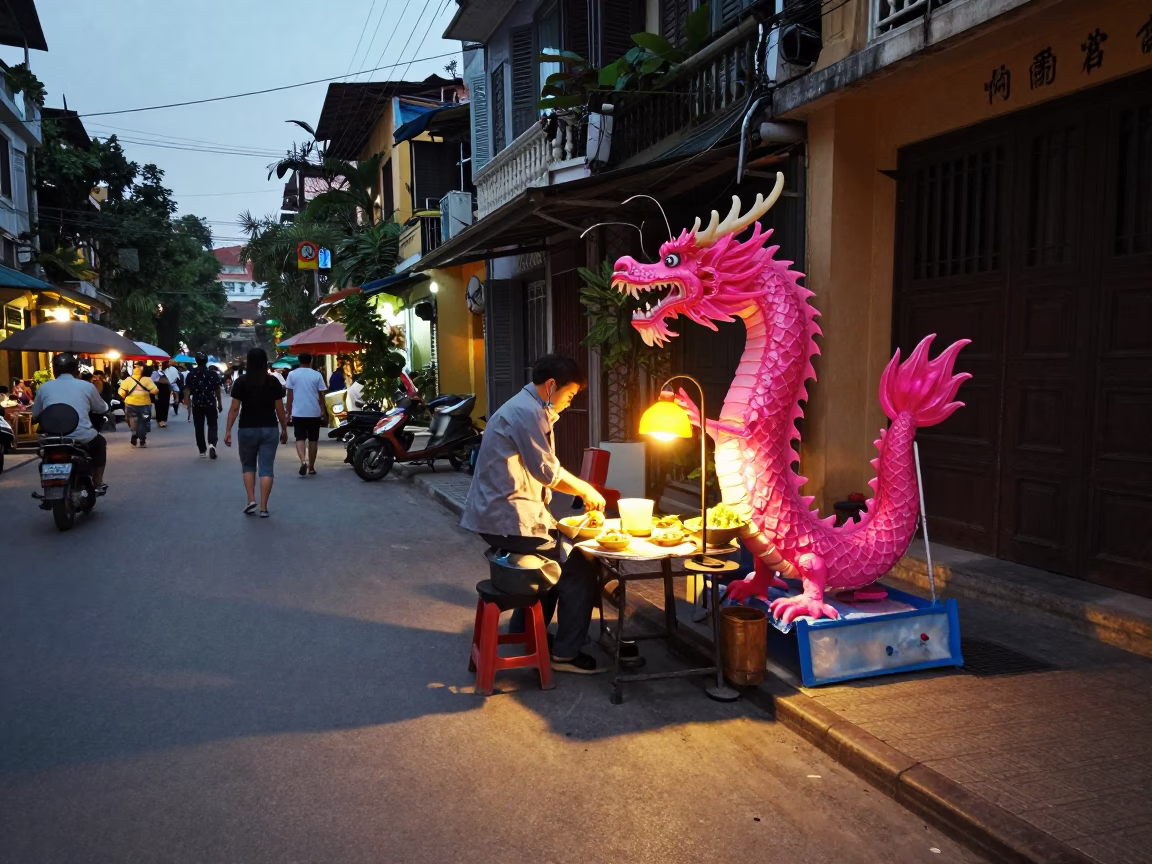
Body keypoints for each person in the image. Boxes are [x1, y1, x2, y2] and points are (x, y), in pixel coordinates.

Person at [460, 354, 609, 675]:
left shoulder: (526, 407)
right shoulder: (526, 413)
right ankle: (566, 654)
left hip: (501, 514)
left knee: (557, 558)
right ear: (551, 385)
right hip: (504, 519)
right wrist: (587, 490)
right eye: (569, 396)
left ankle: (529, 635)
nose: (569, 404)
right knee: (579, 567)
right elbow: (547, 471)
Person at [224, 347, 288, 517]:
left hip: (247, 428)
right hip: (269, 428)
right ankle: (264, 508)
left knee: (248, 465)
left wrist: (228, 430)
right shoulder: (273, 382)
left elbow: (234, 408)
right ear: (265, 361)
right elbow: (280, 409)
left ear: (249, 362)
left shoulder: (241, 382)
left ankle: (251, 499)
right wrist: (285, 429)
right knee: (267, 468)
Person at [30, 353, 109, 491]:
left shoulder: (44, 388)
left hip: (52, 437)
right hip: (82, 436)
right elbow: (101, 408)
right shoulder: (87, 386)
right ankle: (97, 481)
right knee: (100, 443)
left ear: (54, 370)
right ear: (75, 370)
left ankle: (48, 486)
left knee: (45, 457)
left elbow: (36, 413)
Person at [284, 352, 327, 477]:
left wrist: (289, 411)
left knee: (300, 438)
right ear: (311, 361)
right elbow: (320, 395)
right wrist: (322, 409)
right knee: (313, 440)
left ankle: (303, 461)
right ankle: (312, 467)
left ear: (299, 361)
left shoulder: (292, 374)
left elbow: (290, 394)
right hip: (314, 412)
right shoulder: (317, 374)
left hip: (299, 412)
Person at [184, 352, 224, 459]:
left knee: (199, 426)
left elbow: (188, 389)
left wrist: (187, 403)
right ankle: (212, 445)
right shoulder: (213, 374)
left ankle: (202, 449)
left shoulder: (191, 374)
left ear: (196, 361)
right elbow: (217, 389)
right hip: (210, 400)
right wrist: (219, 403)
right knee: (212, 424)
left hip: (197, 401)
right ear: (206, 361)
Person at [118, 364, 158, 447]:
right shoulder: (147, 379)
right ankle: (142, 440)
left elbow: (121, 391)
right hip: (145, 405)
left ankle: (134, 433)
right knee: (143, 422)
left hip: (130, 404)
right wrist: (148, 391)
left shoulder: (128, 379)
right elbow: (155, 390)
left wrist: (123, 395)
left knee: (132, 420)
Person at [152, 362, 172, 427]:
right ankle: (159, 419)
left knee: (165, 405)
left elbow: (172, 382)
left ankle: (163, 420)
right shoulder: (156, 373)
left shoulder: (169, 373)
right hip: (158, 389)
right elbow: (153, 380)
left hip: (166, 390)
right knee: (158, 404)